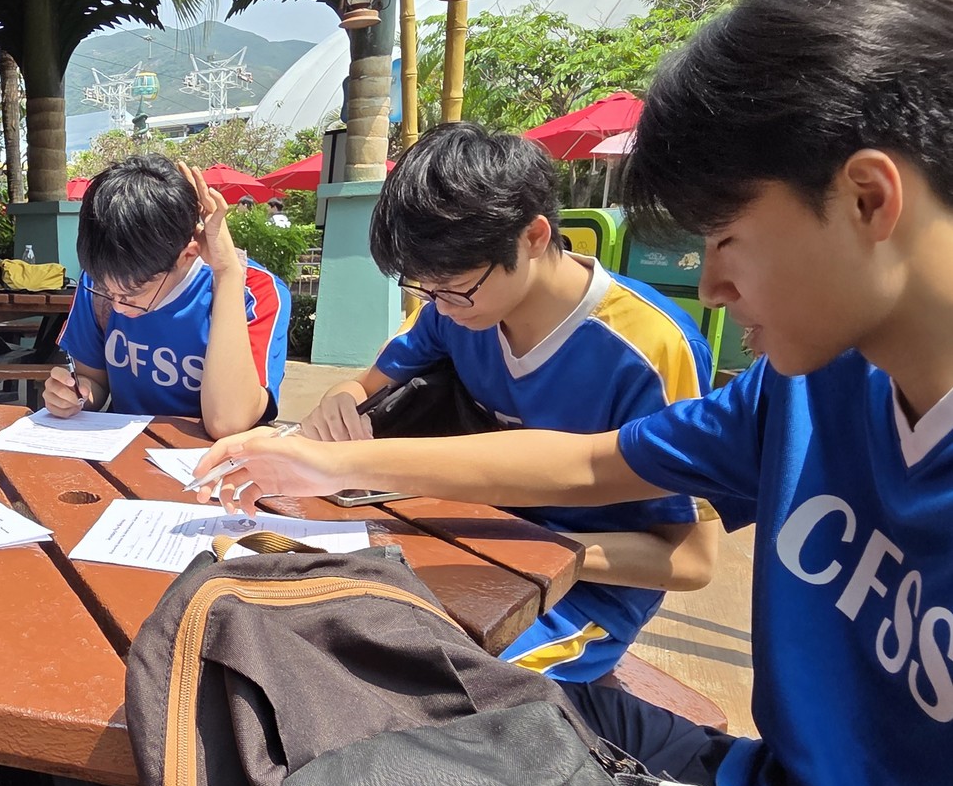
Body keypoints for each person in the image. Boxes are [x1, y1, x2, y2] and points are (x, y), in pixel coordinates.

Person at [192, 0, 953, 786]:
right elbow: (597, 463)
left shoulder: (698, 348)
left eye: (726, 236)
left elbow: (662, 540)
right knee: (420, 729)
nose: (711, 283)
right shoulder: (815, 382)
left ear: (865, 198)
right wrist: (330, 467)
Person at [305, 121, 720, 682]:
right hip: (464, 545)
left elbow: (691, 560)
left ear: (533, 237)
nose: (440, 307)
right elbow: (367, 382)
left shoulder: (651, 350)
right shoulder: (456, 310)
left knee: (426, 683)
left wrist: (537, 553)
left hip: (581, 594)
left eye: (455, 288)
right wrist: (340, 397)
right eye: (424, 289)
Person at [44, 156, 292, 439]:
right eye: (107, 291)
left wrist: (227, 274)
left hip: (206, 461)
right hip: (119, 452)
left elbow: (227, 423)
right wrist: (76, 395)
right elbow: (94, 380)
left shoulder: (256, 293)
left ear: (187, 256)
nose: (117, 306)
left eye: (132, 294)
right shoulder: (102, 279)